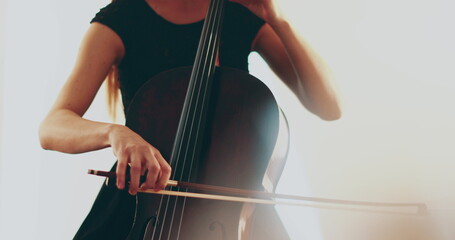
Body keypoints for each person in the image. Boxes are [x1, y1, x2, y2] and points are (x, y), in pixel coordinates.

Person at [39, 0, 341, 238]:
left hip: (232, 214)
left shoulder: (242, 13)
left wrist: (279, 20)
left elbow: (329, 106)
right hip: (140, 208)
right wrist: (116, 134)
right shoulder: (120, 20)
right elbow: (52, 126)